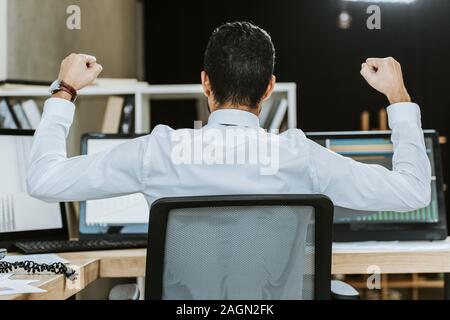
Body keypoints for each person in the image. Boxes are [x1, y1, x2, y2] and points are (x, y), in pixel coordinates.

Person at [27, 21, 431, 213]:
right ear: (269, 87)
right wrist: (398, 96)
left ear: (205, 83)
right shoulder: (300, 157)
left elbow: (43, 182)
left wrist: (65, 91)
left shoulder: (158, 151)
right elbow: (414, 193)